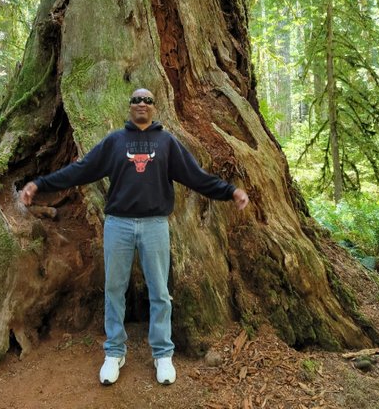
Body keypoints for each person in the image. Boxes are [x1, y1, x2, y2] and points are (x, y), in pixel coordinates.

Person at [21, 88, 249, 386]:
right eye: (136, 100)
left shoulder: (167, 143)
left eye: (148, 100)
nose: (142, 104)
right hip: (118, 224)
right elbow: (80, 171)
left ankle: (162, 353)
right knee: (114, 290)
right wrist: (39, 183)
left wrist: (230, 191)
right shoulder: (115, 142)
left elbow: (196, 176)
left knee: (159, 291)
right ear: (129, 107)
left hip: (155, 225)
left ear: (154, 108)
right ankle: (115, 352)